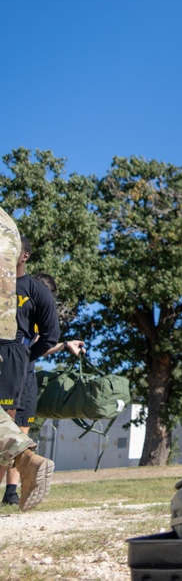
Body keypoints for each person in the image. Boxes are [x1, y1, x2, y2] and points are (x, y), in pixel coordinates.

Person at [0, 207, 55, 512]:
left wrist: (25, 357)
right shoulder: (6, 221)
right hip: (9, 349)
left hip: (13, 354)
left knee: (12, 421)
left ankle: (24, 464)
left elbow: (49, 335)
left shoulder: (36, 291)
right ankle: (27, 461)